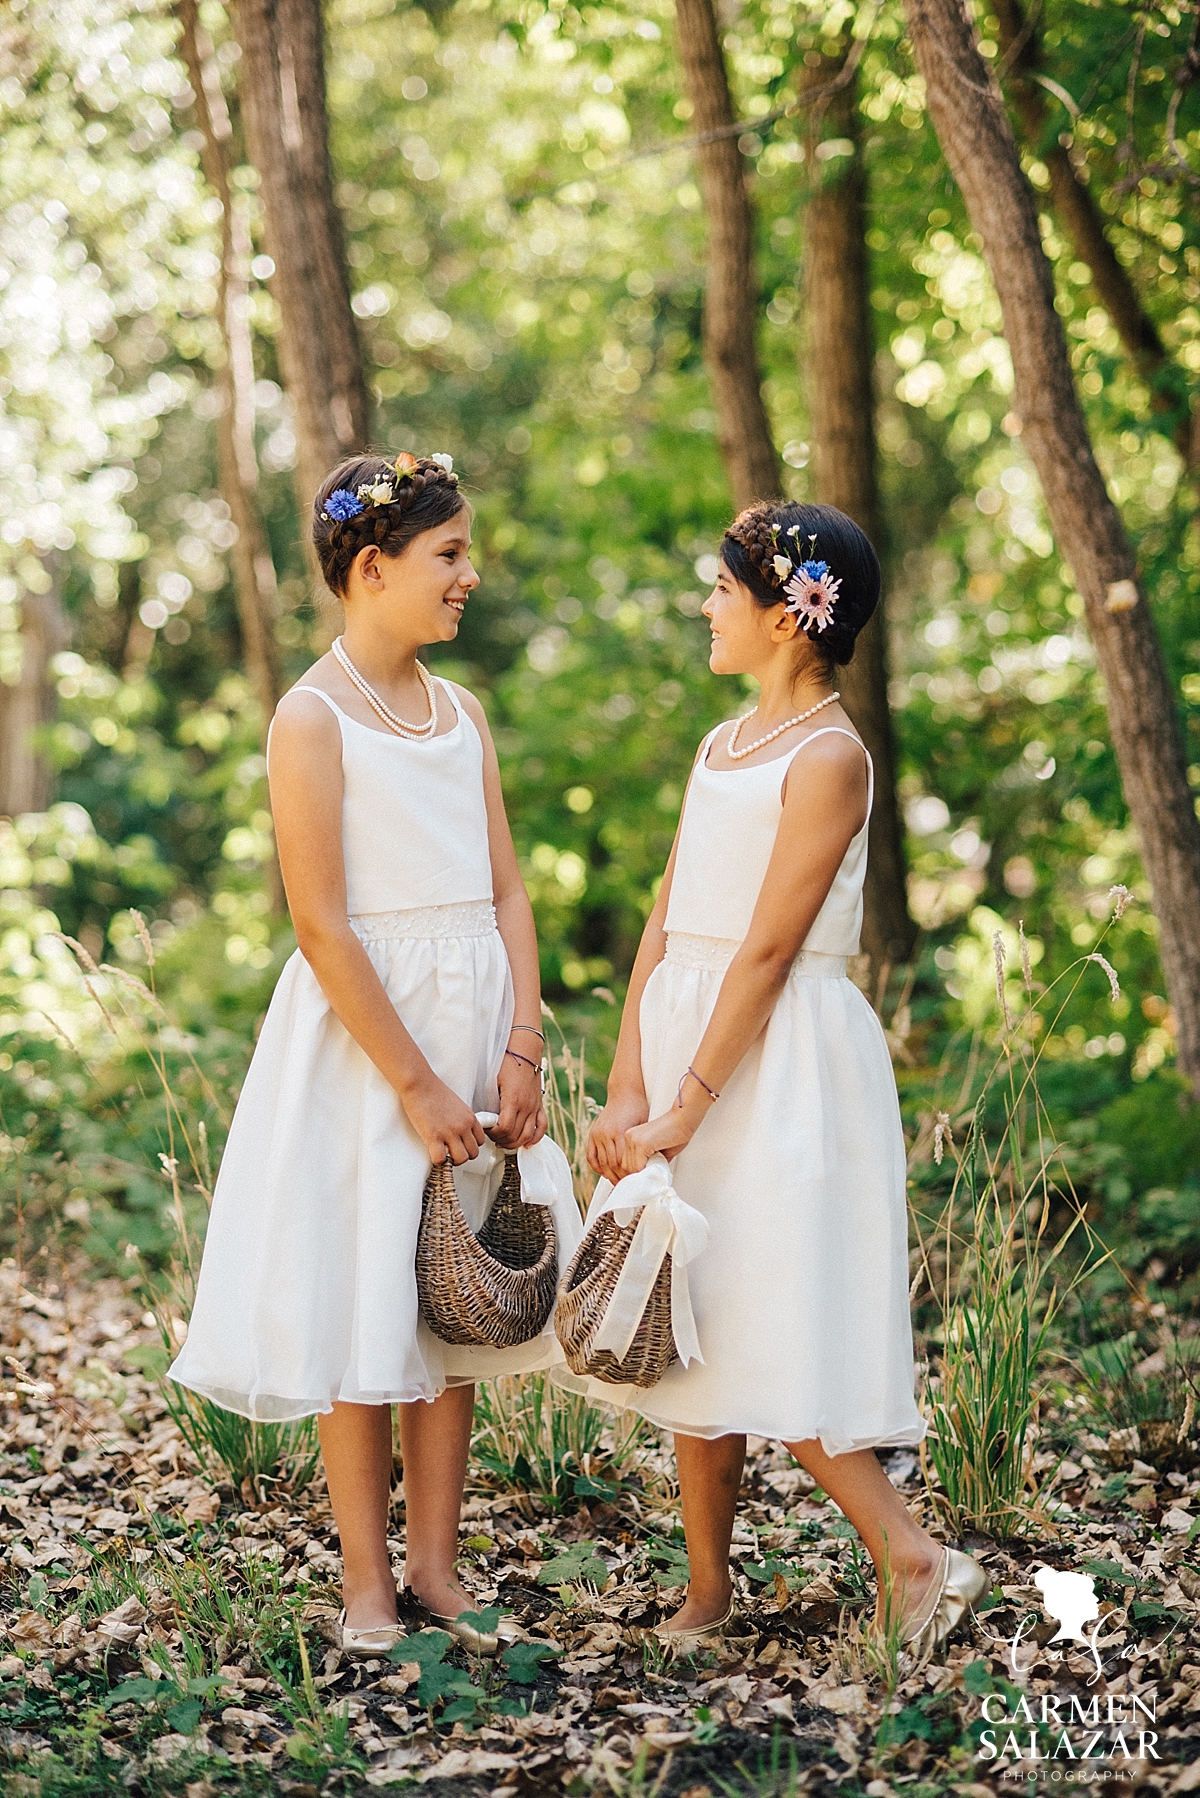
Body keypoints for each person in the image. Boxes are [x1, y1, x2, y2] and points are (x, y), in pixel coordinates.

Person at [171, 452, 573, 1659]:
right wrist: (411, 1077)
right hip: (369, 1044)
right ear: (372, 567)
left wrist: (522, 1040)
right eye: (450, 554)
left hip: (474, 1018)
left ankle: (439, 1569)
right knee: (370, 1300)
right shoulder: (314, 714)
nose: (471, 574)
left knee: (450, 1299)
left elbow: (505, 883)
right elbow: (320, 920)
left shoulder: (463, 715)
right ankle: (365, 1580)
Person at [582, 501, 987, 1659]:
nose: (706, 605)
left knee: (764, 1306)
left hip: (778, 1058)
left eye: (721, 588)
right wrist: (626, 1086)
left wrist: (684, 1108)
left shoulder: (832, 758)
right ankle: (710, 1589)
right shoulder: (723, 745)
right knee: (688, 1310)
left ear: (788, 614)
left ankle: (913, 1553)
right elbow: (668, 913)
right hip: (682, 1041)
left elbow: (766, 950)